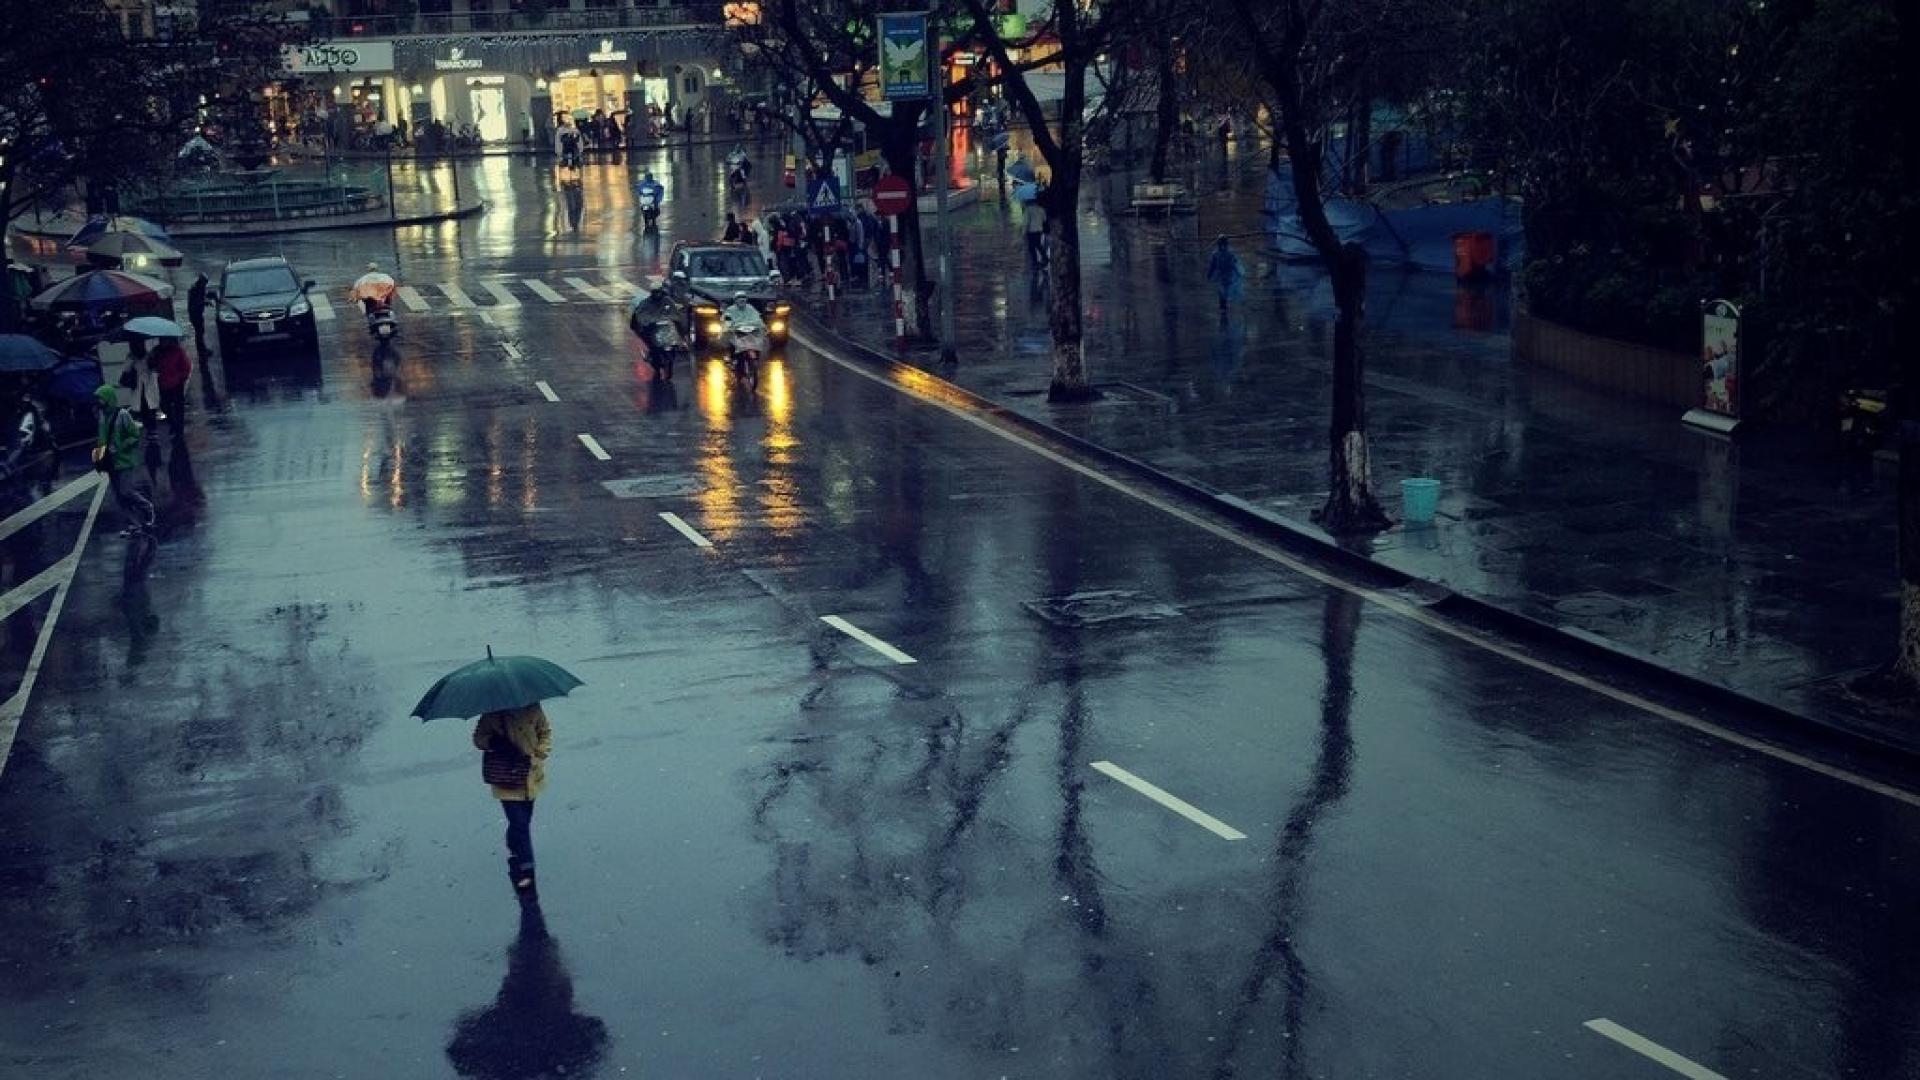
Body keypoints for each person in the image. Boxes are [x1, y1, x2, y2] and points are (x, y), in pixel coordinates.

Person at [473, 703, 552, 893]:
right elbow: (478, 738)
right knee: (521, 824)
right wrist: (493, 742)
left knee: (522, 821)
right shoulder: (492, 713)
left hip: (531, 775)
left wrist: (538, 754)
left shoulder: (533, 708)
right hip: (506, 779)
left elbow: (545, 732)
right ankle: (527, 869)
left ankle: (512, 840)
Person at [93, 384, 153, 536]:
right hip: (110, 462)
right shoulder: (101, 416)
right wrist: (99, 458)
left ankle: (146, 507)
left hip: (124, 460)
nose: (98, 401)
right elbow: (101, 439)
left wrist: (120, 447)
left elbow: (134, 435)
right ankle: (134, 524)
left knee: (126, 491)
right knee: (119, 496)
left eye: (100, 398)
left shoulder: (122, 415)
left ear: (108, 398)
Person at [151, 335, 192, 438]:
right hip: (163, 383)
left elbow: (186, 366)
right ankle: (173, 424)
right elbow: (152, 365)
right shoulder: (156, 351)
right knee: (165, 405)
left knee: (179, 406)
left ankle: (179, 428)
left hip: (177, 383)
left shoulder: (177, 351)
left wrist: (181, 377)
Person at [1206, 235, 1245, 315]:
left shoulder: (1229, 253)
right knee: (1221, 290)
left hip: (1228, 275)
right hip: (1221, 275)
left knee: (1225, 290)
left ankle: (1224, 304)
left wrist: (1238, 272)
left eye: (1224, 244)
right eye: (1221, 244)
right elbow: (1212, 265)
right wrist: (1209, 274)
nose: (1223, 246)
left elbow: (1234, 264)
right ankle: (1223, 305)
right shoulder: (1216, 254)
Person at [1023, 195, 1048, 272]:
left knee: (1031, 247)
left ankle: (1035, 262)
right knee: (1038, 244)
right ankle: (1045, 258)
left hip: (1031, 231)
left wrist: (1023, 232)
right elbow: (1044, 219)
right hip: (1039, 230)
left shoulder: (1028, 210)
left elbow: (1026, 222)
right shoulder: (1041, 209)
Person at [186, 274, 209, 353]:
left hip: (196, 313)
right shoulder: (196, 289)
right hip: (196, 315)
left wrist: (205, 302)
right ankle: (202, 350)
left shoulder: (198, 288)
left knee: (200, 332)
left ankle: (201, 349)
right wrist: (204, 302)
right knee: (199, 332)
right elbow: (196, 302)